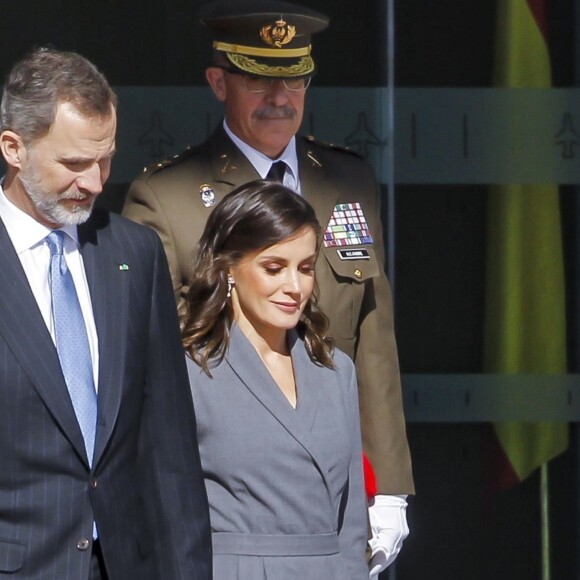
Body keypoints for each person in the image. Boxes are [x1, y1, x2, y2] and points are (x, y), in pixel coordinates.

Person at [122, 0, 413, 574]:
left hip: (338, 469)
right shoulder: (168, 194)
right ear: (218, 82)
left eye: (295, 79)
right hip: (235, 480)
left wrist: (391, 485)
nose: (280, 97)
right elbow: (148, 354)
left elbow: (373, 334)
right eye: (258, 79)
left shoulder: (349, 178)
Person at [0, 47, 212, 579]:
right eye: (73, 163)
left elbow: (168, 448)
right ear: (13, 148)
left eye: (106, 159)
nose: (94, 182)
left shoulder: (133, 253)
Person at [182, 179, 368, 579]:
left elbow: (352, 524)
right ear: (228, 268)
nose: (294, 287)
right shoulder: (189, 371)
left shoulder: (336, 371)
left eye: (305, 268)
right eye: (273, 268)